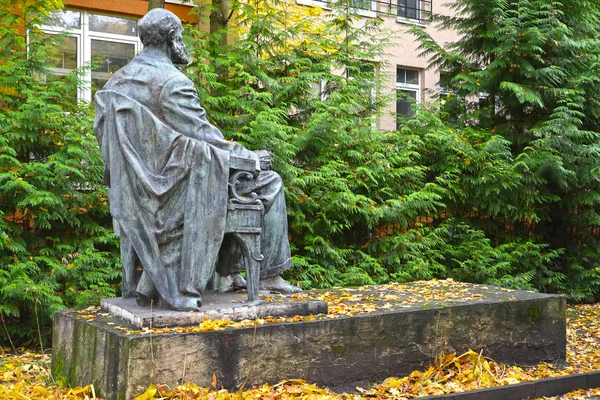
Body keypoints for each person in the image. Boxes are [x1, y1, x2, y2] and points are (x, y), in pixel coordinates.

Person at [94, 8, 299, 312]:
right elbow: (206, 138)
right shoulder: (172, 82)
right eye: (181, 35)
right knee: (269, 181)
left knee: (228, 175)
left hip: (132, 195)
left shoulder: (115, 83)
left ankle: (226, 275)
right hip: (171, 193)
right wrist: (251, 157)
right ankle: (267, 275)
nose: (182, 41)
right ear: (171, 38)